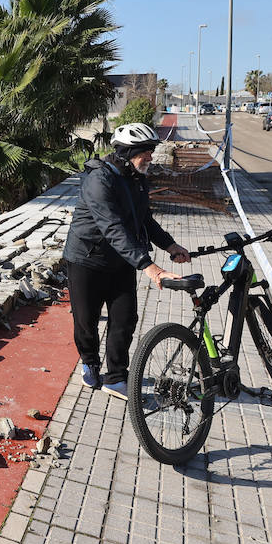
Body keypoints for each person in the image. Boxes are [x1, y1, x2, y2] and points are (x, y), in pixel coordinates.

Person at [63, 123, 191, 399]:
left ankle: (116, 376)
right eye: (145, 152)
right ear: (127, 152)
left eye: (151, 151)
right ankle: (90, 362)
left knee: (125, 319)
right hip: (87, 259)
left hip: (121, 261)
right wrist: (150, 267)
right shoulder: (99, 180)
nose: (150, 157)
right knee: (87, 320)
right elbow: (112, 228)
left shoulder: (136, 178)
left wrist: (170, 245)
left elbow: (143, 219)